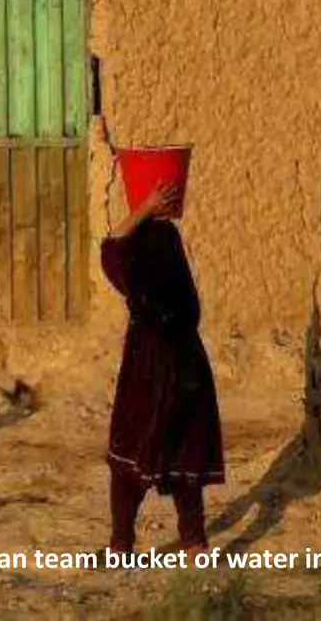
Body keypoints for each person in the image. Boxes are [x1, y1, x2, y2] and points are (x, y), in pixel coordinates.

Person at [101, 180, 225, 560]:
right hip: (189, 364)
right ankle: (194, 545)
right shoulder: (169, 247)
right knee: (183, 453)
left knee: (128, 453)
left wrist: (144, 208)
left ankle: (121, 547)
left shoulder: (143, 263)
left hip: (153, 368)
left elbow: (111, 249)